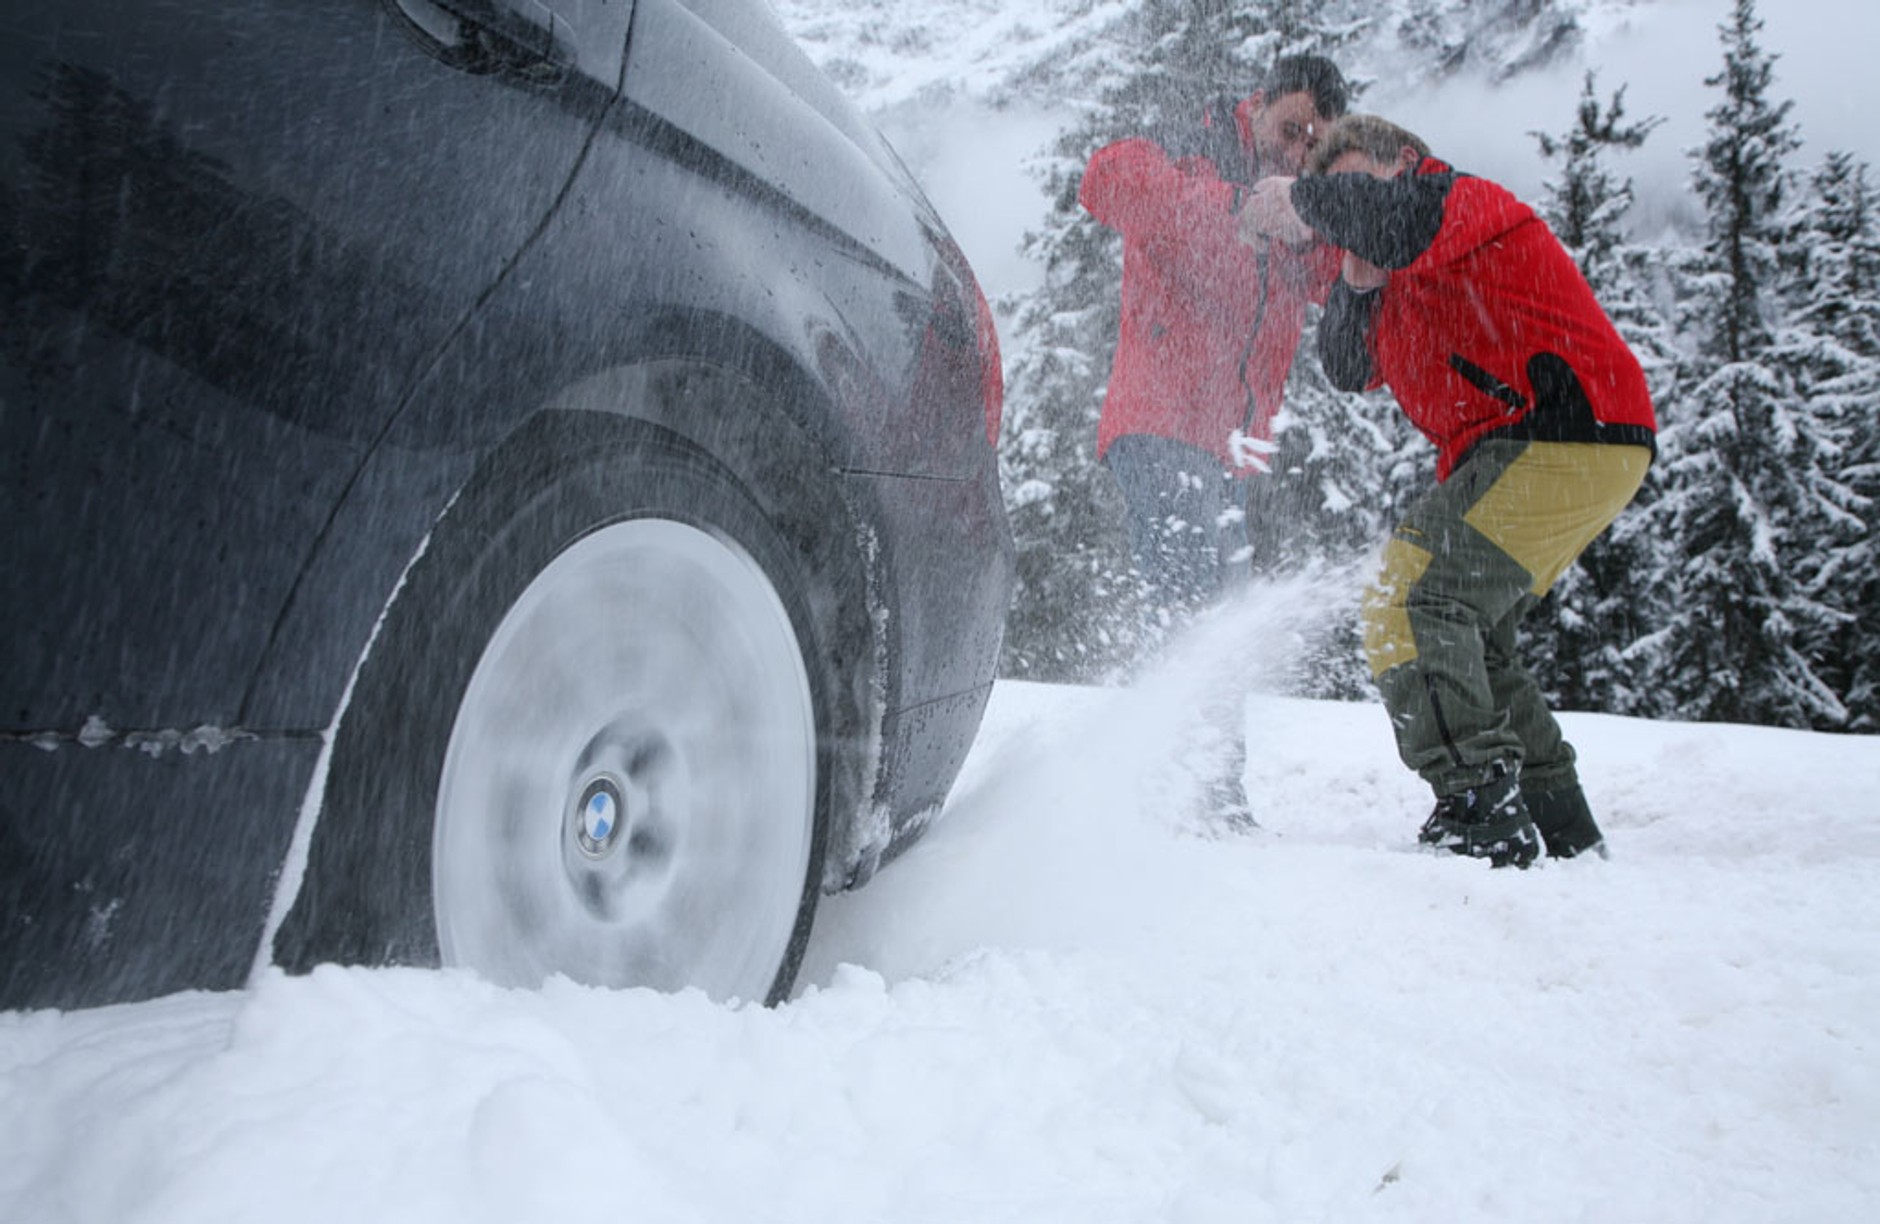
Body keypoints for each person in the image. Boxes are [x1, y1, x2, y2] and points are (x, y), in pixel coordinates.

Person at [1241, 114, 1657, 866]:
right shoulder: (1396, 263)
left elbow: (1393, 221)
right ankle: (1556, 821)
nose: (1350, 209)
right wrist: (1356, 283)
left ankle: (1477, 807)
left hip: (1564, 427)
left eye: (1359, 187)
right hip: (1551, 447)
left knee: (1407, 597)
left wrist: (1301, 198)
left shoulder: (1458, 202)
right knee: (1472, 633)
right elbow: (1346, 366)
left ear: (1403, 161)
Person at [1080, 54, 1350, 627]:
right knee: (1191, 602)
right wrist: (1236, 210)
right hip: (1160, 420)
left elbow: (1342, 281)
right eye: (1291, 130)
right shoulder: (1194, 144)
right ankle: (1180, 716)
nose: (1299, 152)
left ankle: (1182, 717)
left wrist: (1308, 233)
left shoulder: (1305, 201)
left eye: (1315, 145)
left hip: (1228, 447)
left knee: (1223, 618)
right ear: (1258, 104)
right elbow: (1103, 180)